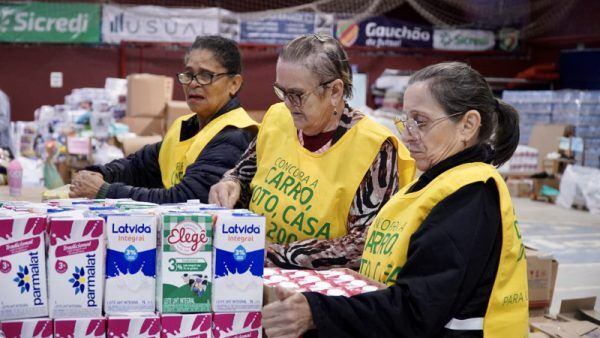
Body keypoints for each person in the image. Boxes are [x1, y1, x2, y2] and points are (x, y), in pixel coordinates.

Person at [262, 61, 528, 337]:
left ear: (468, 125)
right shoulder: (433, 185)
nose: (408, 135)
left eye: (420, 122)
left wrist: (318, 312)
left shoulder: (470, 196)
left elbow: (416, 310)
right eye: (406, 121)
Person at [209, 33, 415, 270]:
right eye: (281, 91)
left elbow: (365, 244)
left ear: (335, 91)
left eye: (297, 94)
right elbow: (243, 175)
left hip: (322, 290)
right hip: (251, 266)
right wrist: (230, 184)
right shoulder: (278, 118)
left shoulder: (375, 147)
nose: (287, 103)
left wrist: (277, 254)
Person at [69, 36, 258, 203]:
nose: (193, 83)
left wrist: (104, 191)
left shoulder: (236, 134)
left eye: (205, 75)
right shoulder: (185, 126)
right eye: (189, 74)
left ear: (234, 84)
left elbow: (185, 199)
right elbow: (138, 166)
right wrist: (97, 174)